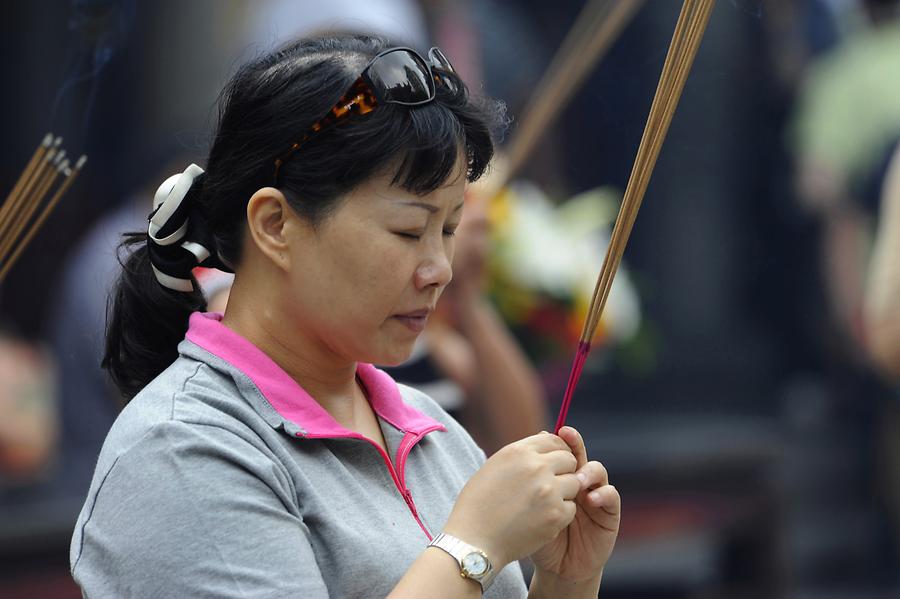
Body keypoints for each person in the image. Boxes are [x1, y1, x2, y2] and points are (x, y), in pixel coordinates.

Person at [69, 35, 620, 597]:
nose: (440, 269)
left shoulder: (430, 428)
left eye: (449, 230)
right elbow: (468, 554)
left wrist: (565, 581)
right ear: (275, 225)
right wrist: (469, 546)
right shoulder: (183, 449)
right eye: (409, 230)